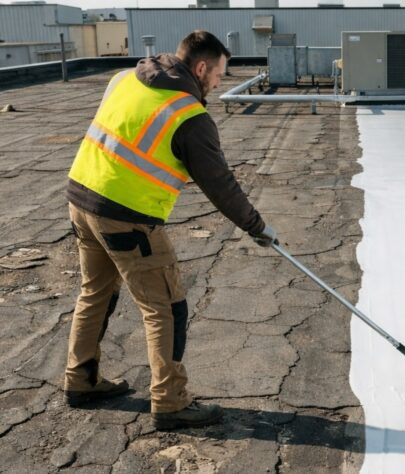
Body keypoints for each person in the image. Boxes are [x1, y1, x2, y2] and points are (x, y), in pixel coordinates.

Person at [63, 30, 277, 430]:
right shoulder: (189, 117)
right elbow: (221, 186)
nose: (218, 83)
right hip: (126, 218)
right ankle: (170, 402)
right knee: (165, 308)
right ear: (200, 67)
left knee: (96, 293)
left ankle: (80, 380)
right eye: (218, 75)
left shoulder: (125, 78)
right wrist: (257, 227)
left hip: (81, 198)